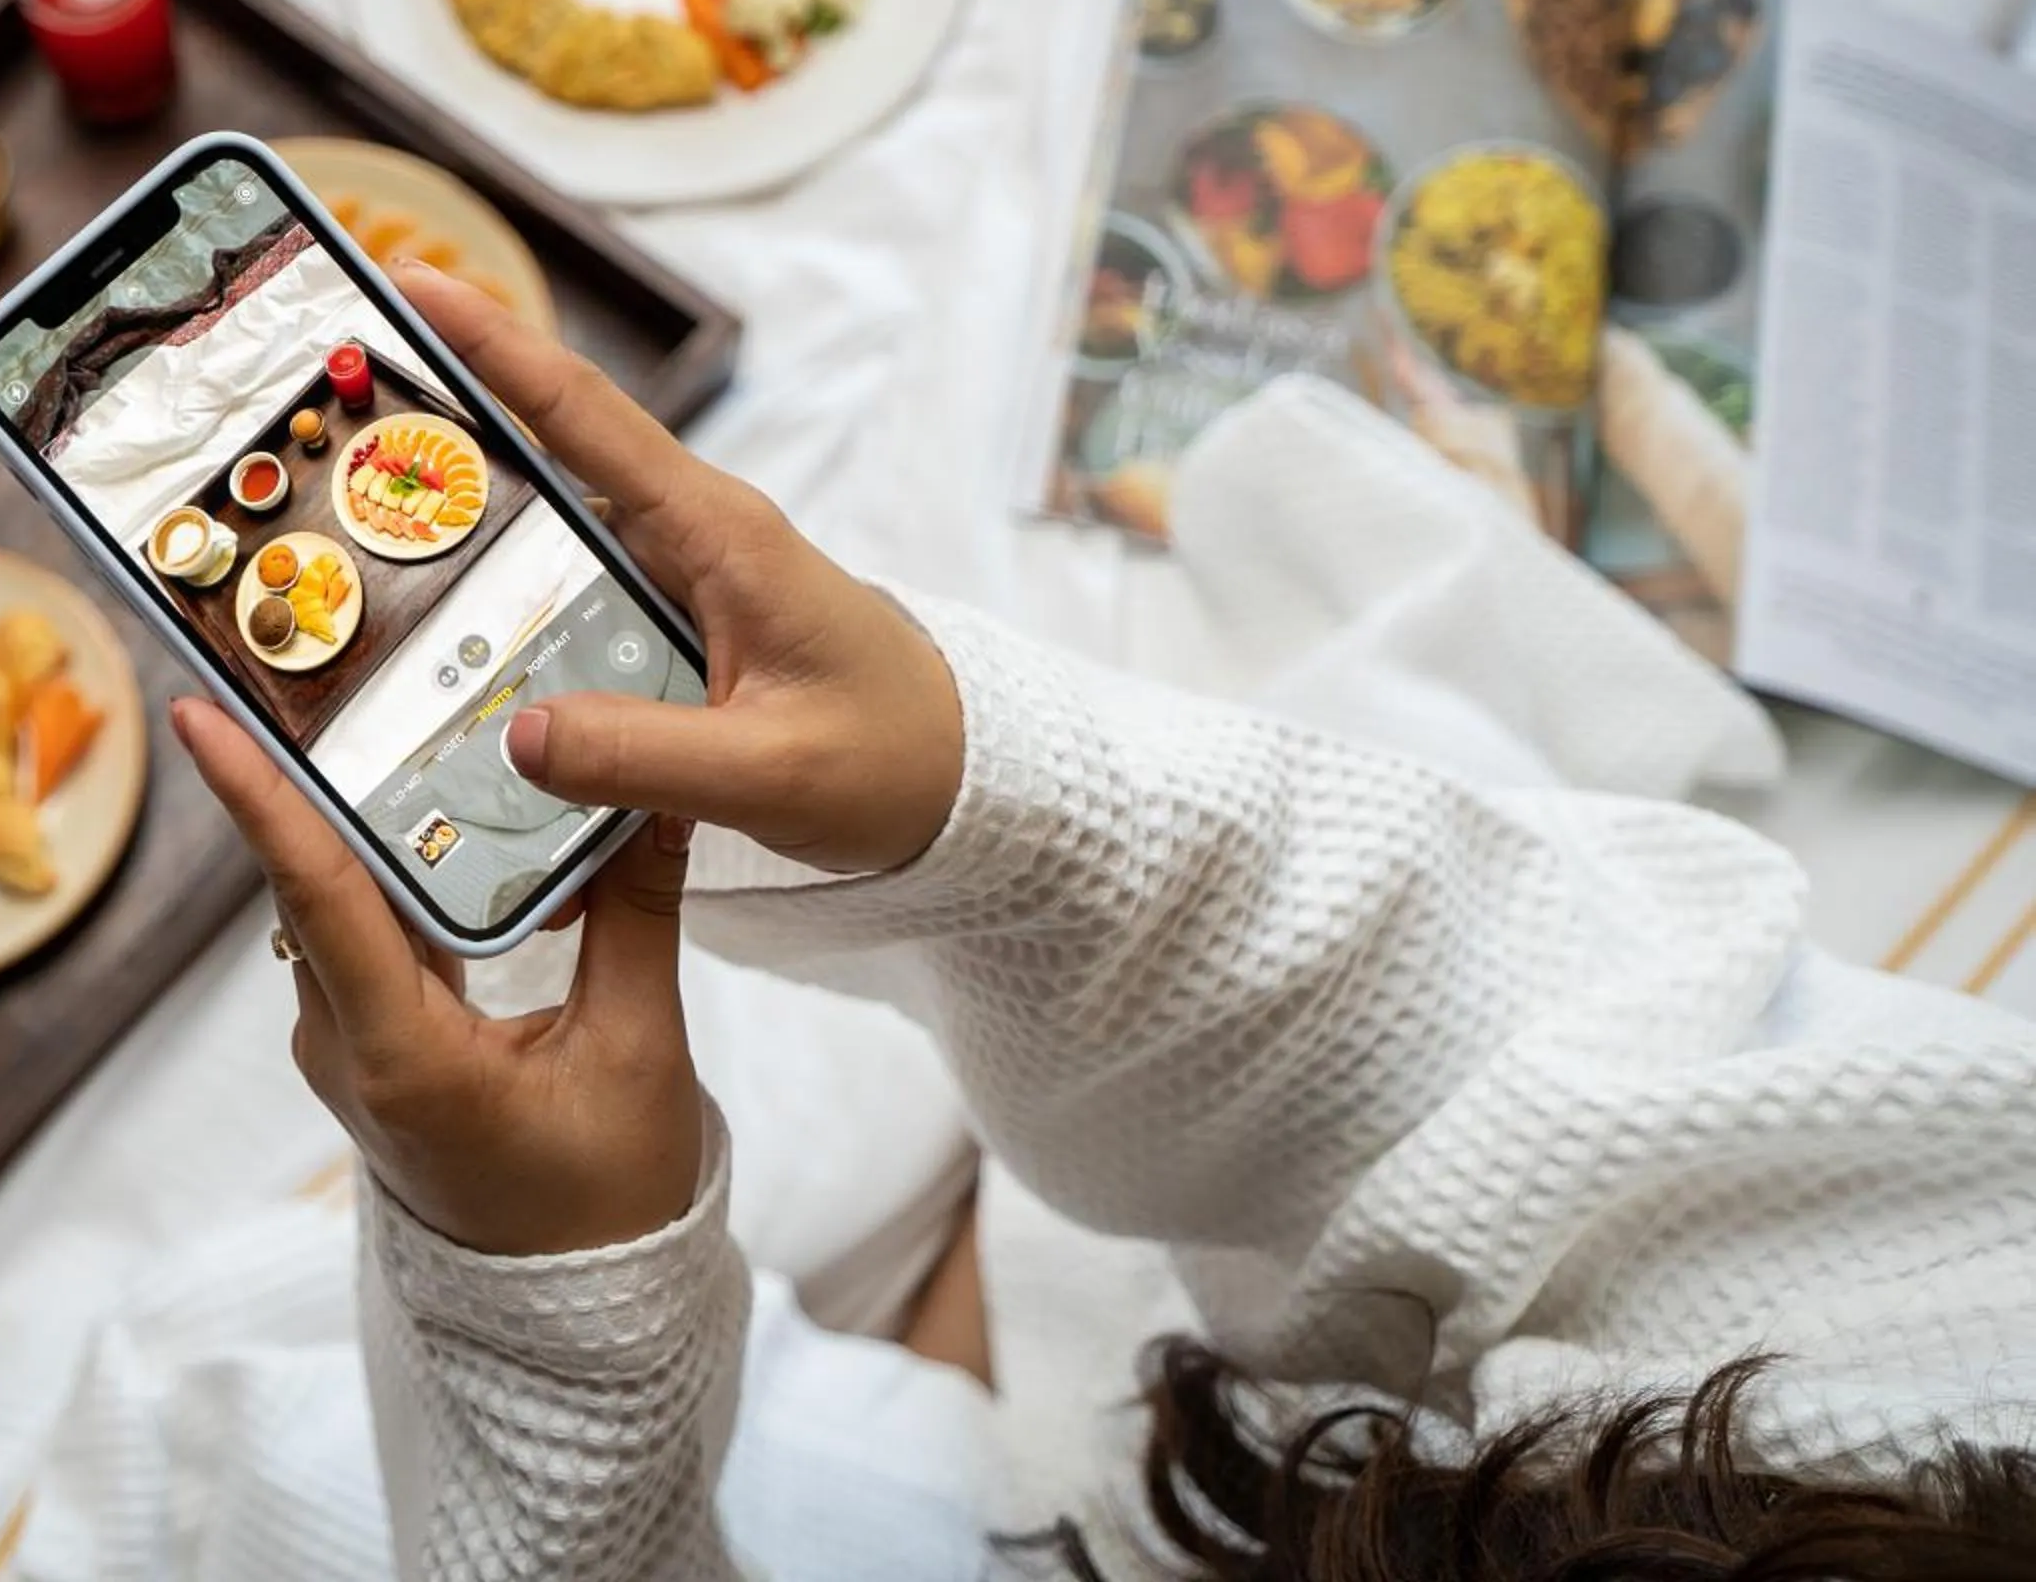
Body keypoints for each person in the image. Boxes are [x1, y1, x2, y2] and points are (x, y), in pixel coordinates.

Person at [172, 266, 2036, 1581]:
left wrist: (553, 1317)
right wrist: (993, 802)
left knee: (212, 1423)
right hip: (1221, 1410)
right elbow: (1527, 1051)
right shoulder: (1965, 1343)